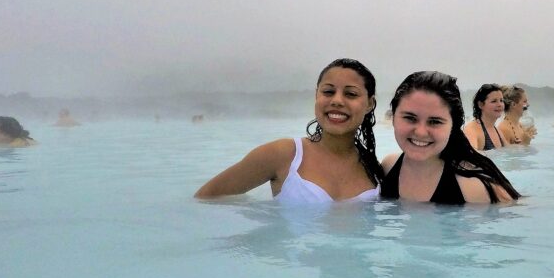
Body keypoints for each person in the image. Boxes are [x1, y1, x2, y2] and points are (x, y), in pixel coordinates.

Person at [194, 58, 383, 202]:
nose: (337, 100)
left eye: (350, 94)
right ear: (316, 95)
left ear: (369, 104)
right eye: (328, 91)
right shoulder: (284, 155)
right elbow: (205, 198)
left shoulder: (376, 171)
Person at [380, 71, 519, 204]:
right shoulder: (388, 166)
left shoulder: (474, 188)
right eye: (410, 118)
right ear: (393, 118)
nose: (421, 132)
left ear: (453, 127)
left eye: (435, 122)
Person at [463, 84, 506, 151]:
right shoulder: (472, 130)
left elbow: (510, 152)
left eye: (501, 100)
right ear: (480, 104)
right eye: (494, 101)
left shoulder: (497, 130)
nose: (499, 104)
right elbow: (468, 156)